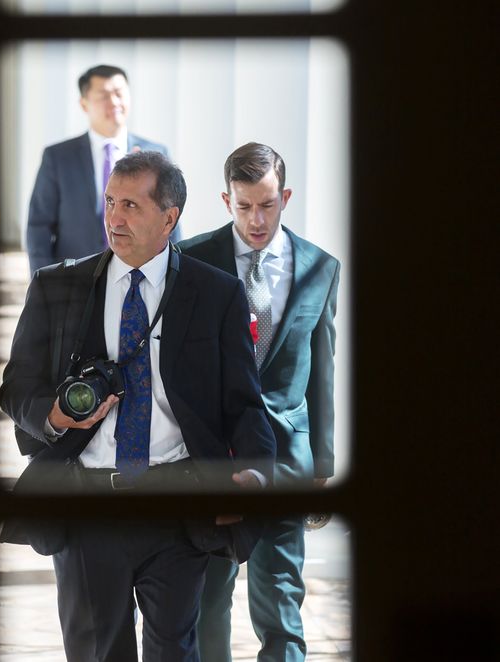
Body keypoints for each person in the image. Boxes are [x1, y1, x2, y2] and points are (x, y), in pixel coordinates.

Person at [0, 151, 276, 661]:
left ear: (169, 217)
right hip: (88, 503)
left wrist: (255, 478)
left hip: (177, 503)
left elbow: (244, 404)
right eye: (109, 202)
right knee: (98, 651)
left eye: (130, 204)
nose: (114, 217)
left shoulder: (216, 294)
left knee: (174, 649)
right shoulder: (57, 287)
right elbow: (16, 389)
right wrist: (55, 416)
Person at [178, 142, 340, 661]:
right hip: (216, 456)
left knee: (281, 601)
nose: (256, 219)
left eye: (267, 205)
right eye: (244, 205)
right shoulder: (192, 260)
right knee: (208, 600)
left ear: (285, 197)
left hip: (288, 459)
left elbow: (322, 372)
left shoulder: (320, 267)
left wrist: (323, 466)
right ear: (226, 200)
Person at [26, 64, 179, 274]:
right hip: (76, 277)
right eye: (104, 96)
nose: (114, 102)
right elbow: (39, 227)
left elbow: (171, 222)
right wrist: (43, 282)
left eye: (119, 93)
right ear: (84, 104)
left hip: (143, 276)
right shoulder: (58, 157)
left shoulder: (156, 153)